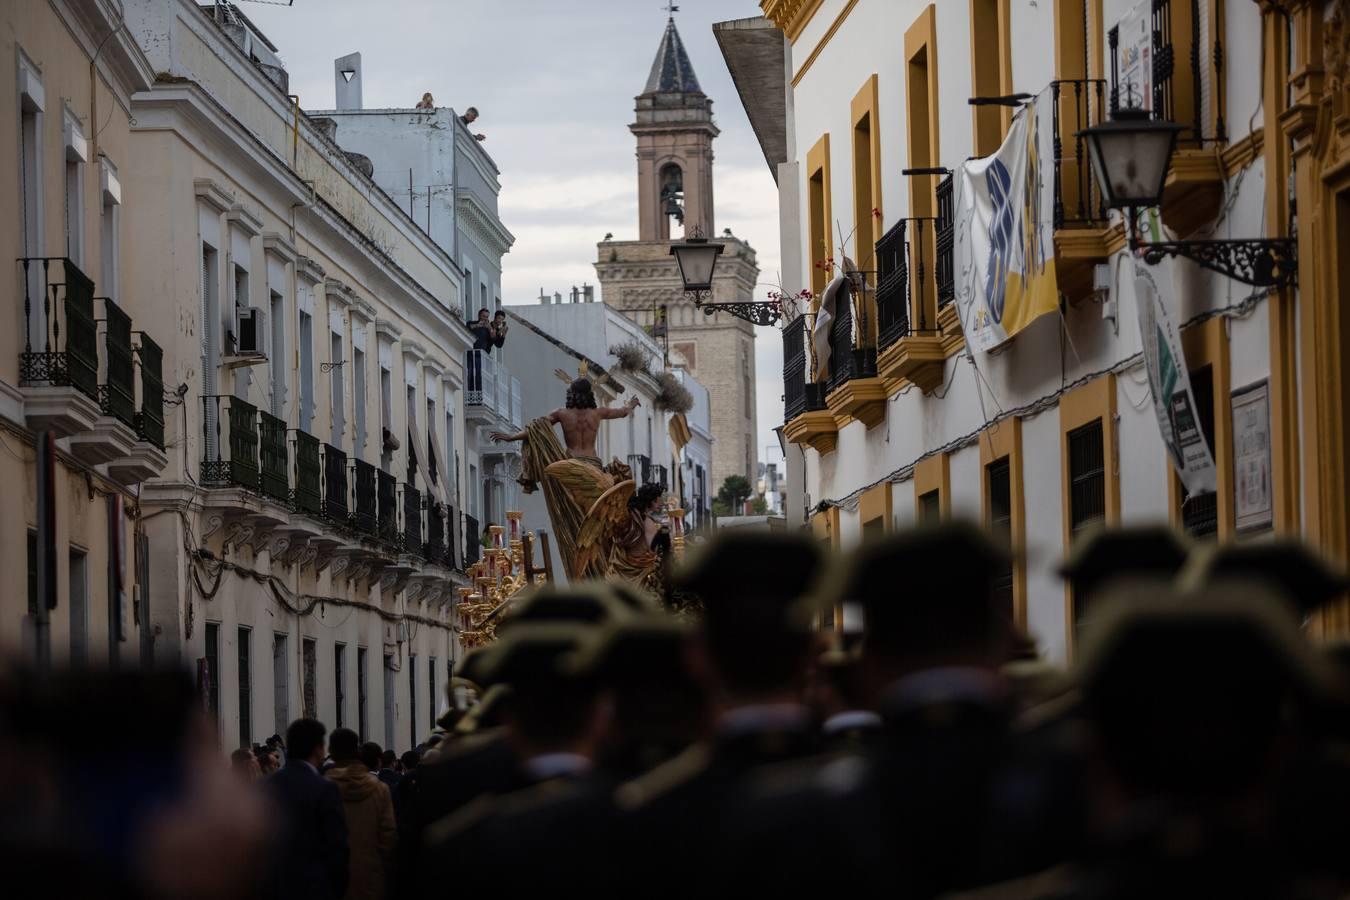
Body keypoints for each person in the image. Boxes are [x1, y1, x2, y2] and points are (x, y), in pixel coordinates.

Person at [264, 718, 349, 900]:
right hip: (314, 887)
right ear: (317, 749)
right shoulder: (324, 789)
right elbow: (337, 849)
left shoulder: (264, 786)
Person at [490, 378, 638, 468]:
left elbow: (535, 430)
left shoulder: (561, 414)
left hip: (571, 462)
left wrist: (511, 437)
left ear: (572, 394)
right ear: (589, 394)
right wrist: (631, 404)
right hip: (592, 463)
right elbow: (623, 412)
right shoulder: (598, 413)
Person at [325, 728, 397, 900]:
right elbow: (389, 837)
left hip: (331, 880)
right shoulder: (379, 789)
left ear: (332, 753)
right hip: (370, 877)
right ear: (357, 752)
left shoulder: (320, 788)